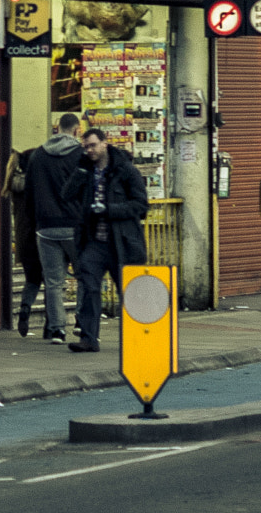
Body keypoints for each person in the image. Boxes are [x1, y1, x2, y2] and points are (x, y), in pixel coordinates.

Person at [68, 126, 149, 353]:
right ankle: (88, 338)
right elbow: (67, 194)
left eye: (93, 145)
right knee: (89, 286)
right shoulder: (86, 169)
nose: (90, 150)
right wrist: (80, 172)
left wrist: (108, 210)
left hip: (121, 242)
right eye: (86, 147)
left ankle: (138, 337)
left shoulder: (125, 170)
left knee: (129, 292)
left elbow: (141, 206)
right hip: (94, 241)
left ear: (105, 143)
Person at [25, 114, 85, 344]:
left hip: (46, 227)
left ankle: (57, 329)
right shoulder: (80, 154)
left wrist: (35, 223)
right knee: (84, 277)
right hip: (74, 226)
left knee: (53, 282)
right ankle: (81, 322)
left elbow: (29, 193)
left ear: (56, 128)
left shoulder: (38, 154)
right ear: (77, 130)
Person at [3, 143, 44, 337]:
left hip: (23, 238)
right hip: (42, 236)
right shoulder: (38, 185)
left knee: (32, 280)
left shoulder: (15, 184)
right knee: (52, 282)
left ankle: (25, 308)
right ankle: (51, 326)